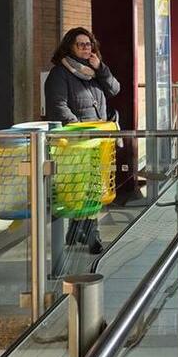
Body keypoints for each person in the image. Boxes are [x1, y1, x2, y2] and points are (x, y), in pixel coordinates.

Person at [44, 27, 121, 254]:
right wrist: (80, 128)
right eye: (81, 44)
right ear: (69, 47)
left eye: (89, 44)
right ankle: (91, 235)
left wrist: (101, 68)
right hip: (78, 142)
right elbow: (58, 106)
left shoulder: (94, 71)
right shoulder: (59, 74)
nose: (86, 48)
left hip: (98, 141)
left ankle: (76, 231)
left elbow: (115, 89)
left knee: (92, 188)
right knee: (81, 190)